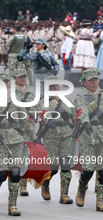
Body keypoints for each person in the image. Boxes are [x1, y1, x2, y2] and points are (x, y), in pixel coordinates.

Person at [0, 73, 41, 216]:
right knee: (2, 173)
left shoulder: (15, 101)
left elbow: (25, 119)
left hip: (16, 140)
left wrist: (34, 137)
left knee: (15, 173)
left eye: (6, 82)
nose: (4, 85)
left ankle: (12, 205)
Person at [38, 75, 76, 204]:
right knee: (53, 168)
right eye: (52, 86)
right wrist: (48, 120)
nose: (55, 88)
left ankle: (64, 194)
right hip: (51, 136)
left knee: (65, 164)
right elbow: (44, 114)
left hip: (66, 134)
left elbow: (75, 116)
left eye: (56, 85)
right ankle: (45, 184)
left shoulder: (66, 100)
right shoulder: (43, 101)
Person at [75, 68, 103, 212]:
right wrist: (85, 122)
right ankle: (82, 187)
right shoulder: (81, 96)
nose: (94, 82)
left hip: (102, 135)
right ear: (84, 82)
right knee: (88, 169)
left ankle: (100, 200)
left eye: (96, 79)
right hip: (88, 135)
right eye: (90, 80)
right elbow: (82, 111)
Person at [12, 68, 37, 196]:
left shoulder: (30, 93)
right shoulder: (11, 92)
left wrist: (36, 114)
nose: (23, 79)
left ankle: (23, 185)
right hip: (14, 128)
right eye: (20, 77)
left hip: (28, 128)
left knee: (26, 155)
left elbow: (34, 108)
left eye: (24, 77)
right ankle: (14, 182)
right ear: (15, 78)